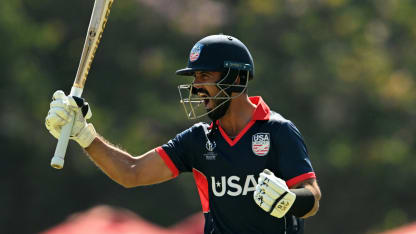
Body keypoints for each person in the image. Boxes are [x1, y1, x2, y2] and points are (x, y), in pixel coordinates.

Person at [45, 34, 321, 234]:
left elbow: (313, 197)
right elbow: (132, 172)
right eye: (194, 78)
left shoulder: (278, 131)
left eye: (204, 76)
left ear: (236, 79)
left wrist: (290, 199)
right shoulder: (197, 140)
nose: (196, 87)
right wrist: (83, 134)